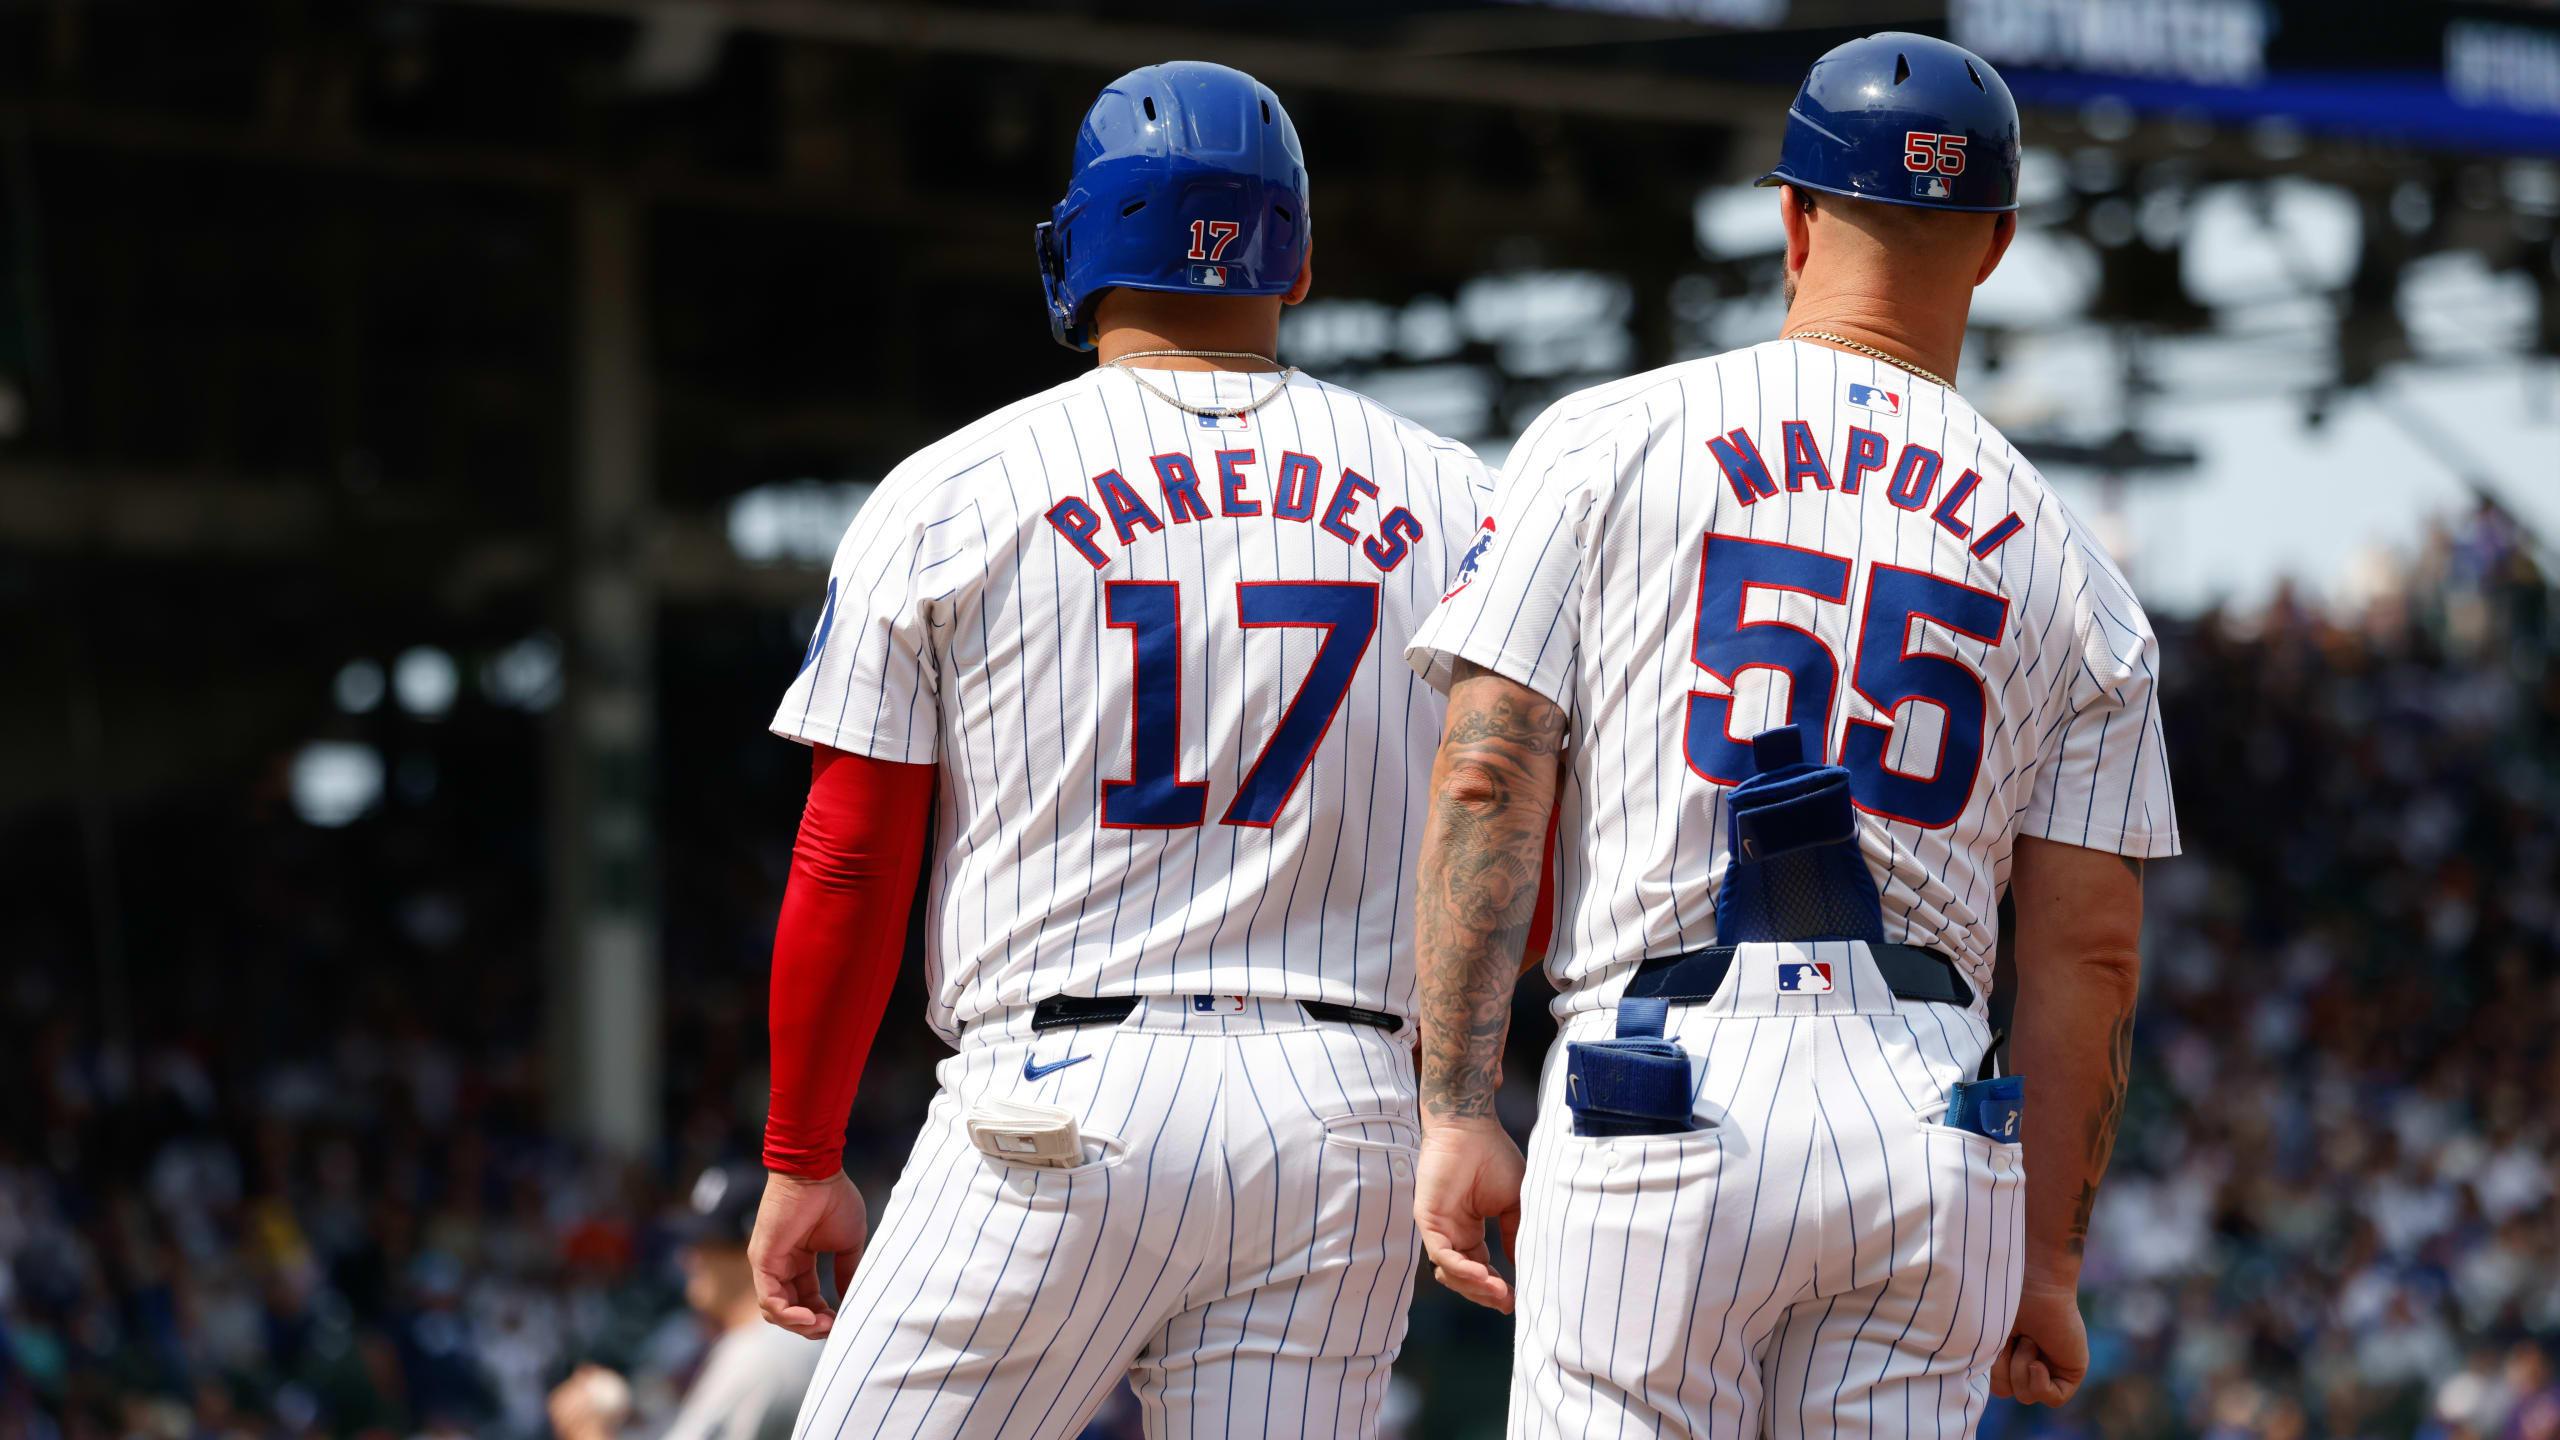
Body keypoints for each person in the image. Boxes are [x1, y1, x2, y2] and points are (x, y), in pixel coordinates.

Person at [1401, 31, 2180, 1438]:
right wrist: (2050, 1266)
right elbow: (2090, 954)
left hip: (1661, 1084)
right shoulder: (2079, 572)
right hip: (1928, 1122)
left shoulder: (1611, 438)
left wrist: (1456, 1106)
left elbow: (1484, 777)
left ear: (1794, 217)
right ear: (1996, 244)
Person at [745, 60, 1496, 1440]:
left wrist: (803, 1152)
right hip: (1342, 1106)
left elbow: (848, 854)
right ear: (1297, 260)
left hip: (1059, 1103)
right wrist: (1463, 1090)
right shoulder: (1463, 499)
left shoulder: (955, 487)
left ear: (1076, 253)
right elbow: (1508, 828)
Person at [549, 1167, 821, 1440]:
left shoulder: (762, 1355)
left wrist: (589, 1432)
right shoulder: (778, 1342)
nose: (687, 1256)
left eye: (707, 1241)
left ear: (758, 1246)